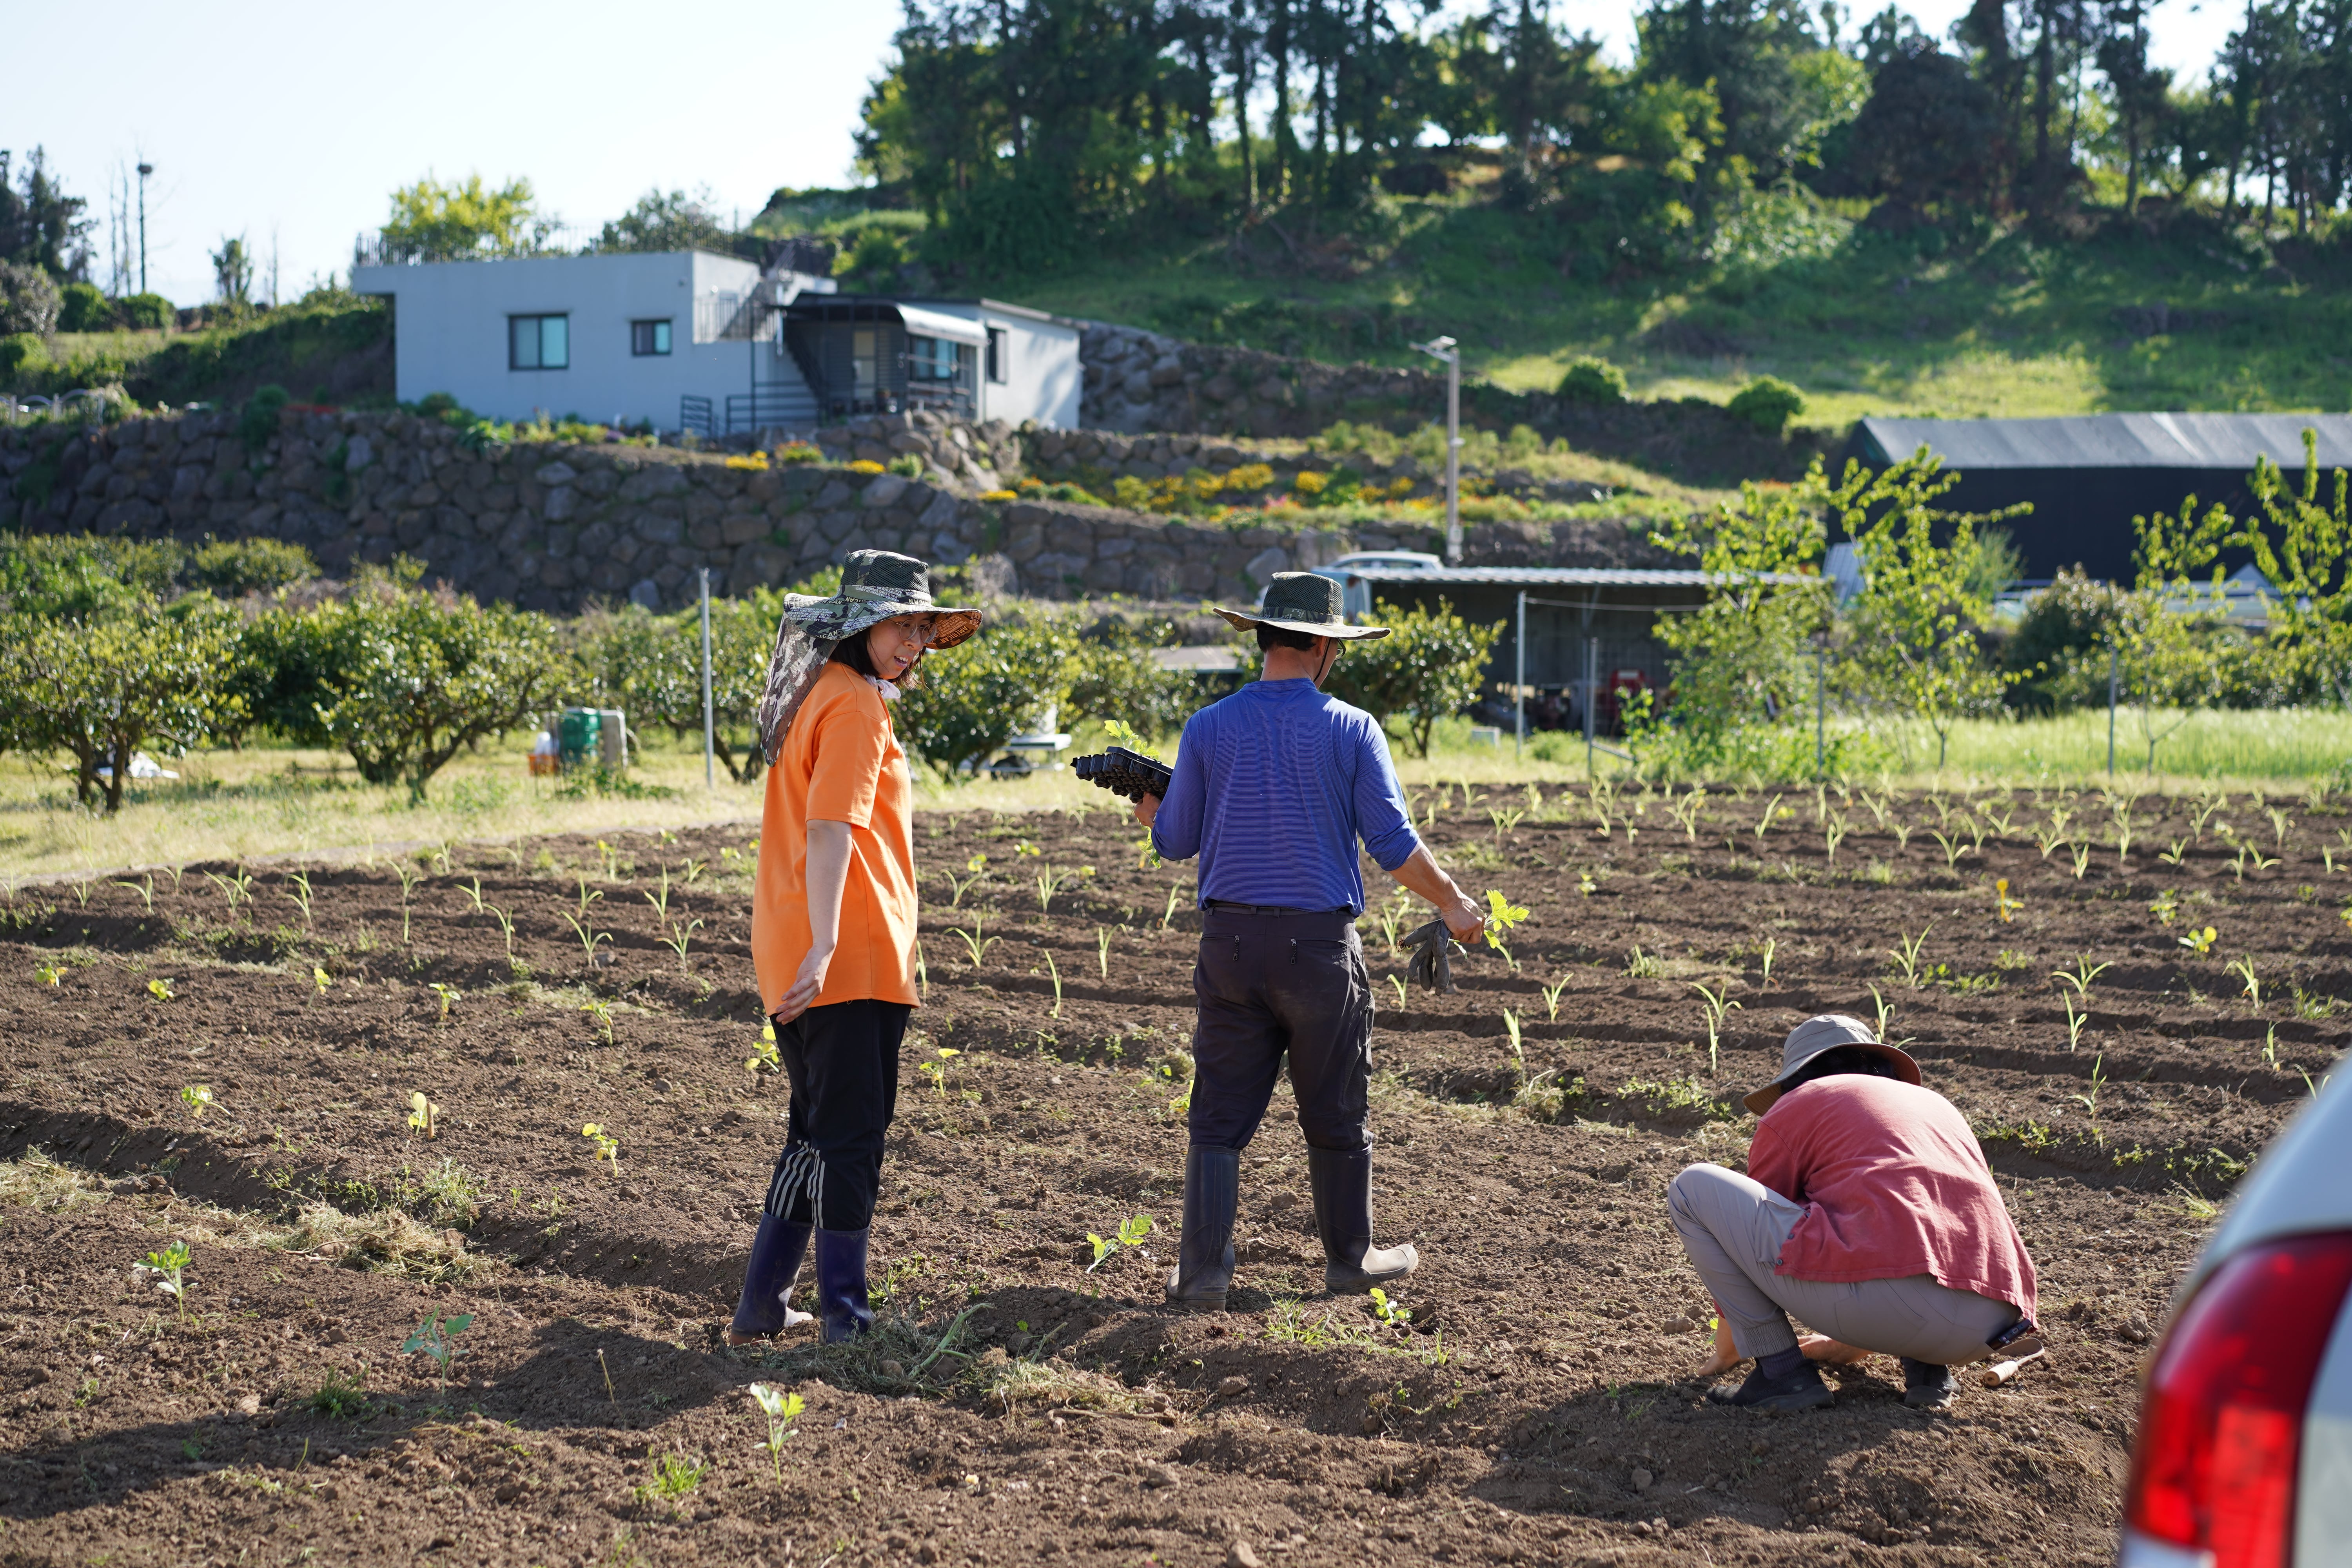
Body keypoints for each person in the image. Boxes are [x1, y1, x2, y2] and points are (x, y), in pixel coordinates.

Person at [1131, 572, 1488, 1311]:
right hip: (1318, 955)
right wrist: (1453, 902)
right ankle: (1351, 1260)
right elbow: (1391, 843)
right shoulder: (1352, 728)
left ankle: (1201, 1275)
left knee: (1219, 1115)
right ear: (1324, 647)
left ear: (1262, 637)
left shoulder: (1207, 726)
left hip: (1228, 947)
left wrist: (1151, 808)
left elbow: (1175, 841)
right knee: (1335, 1110)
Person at [727, 550, 981, 1345]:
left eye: (920, 626)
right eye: (898, 624)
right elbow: (832, 824)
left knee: (813, 1130)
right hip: (850, 955)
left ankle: (763, 1304)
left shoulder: (821, 696)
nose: (912, 640)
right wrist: (830, 941)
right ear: (858, 627)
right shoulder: (853, 706)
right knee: (853, 1139)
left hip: (800, 947)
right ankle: (848, 1317)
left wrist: (810, 944)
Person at [1667, 1014, 2039, 1412]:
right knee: (1921, 1216)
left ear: (1797, 1075)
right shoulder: (1937, 1106)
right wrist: (1855, 1337)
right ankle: (1929, 1373)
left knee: (1693, 1187)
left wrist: (1732, 1346)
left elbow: (1747, 1236)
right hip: (1992, 1325)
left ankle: (1781, 1374)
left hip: (1891, 1303)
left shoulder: (1801, 1102)